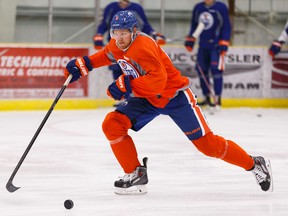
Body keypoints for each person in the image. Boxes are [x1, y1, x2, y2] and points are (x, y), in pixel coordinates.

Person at [65, 10, 273, 195]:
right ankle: (135, 173)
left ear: (134, 31)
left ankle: (254, 164)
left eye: (123, 33)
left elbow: (158, 83)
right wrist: (85, 64)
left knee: (208, 146)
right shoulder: (118, 43)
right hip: (148, 98)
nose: (119, 38)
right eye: (115, 33)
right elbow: (108, 54)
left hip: (175, 97)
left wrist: (125, 85)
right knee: (112, 124)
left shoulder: (142, 48)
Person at [94, 0, 165, 107]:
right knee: (117, 69)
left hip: (133, 45)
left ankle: (133, 95)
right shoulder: (111, 7)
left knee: (133, 71)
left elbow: (144, 24)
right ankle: (122, 95)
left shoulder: (136, 8)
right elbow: (104, 23)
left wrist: (153, 34)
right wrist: (99, 34)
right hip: (116, 46)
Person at [184, 0, 231, 108]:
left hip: (216, 46)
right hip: (202, 46)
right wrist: (190, 39)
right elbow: (194, 26)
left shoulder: (221, 7)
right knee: (201, 70)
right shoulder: (198, 7)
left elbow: (226, 26)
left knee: (216, 70)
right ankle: (206, 98)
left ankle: (217, 99)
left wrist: (224, 42)